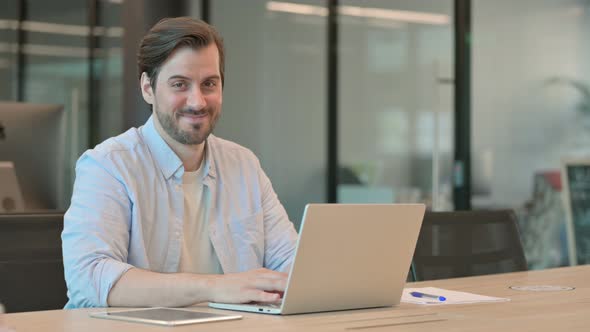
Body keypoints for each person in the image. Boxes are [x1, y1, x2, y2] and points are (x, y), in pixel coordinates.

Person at [61, 17, 298, 309]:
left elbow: (293, 266)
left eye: (209, 84)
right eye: (180, 84)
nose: (197, 101)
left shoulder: (244, 165)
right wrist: (216, 287)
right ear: (148, 88)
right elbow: (89, 279)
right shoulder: (108, 165)